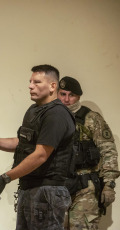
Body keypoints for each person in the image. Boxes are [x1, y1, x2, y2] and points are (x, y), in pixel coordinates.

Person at [0, 65, 75, 229]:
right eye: (30, 82)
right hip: (30, 190)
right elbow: (24, 144)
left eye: (37, 82)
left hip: (47, 193)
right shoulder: (34, 111)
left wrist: (5, 178)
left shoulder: (56, 114)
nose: (30, 86)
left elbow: (41, 154)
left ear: (52, 86)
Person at [57, 76, 120, 229]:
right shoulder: (52, 118)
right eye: (63, 94)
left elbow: (108, 151)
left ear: (78, 96)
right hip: (57, 187)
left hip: (85, 187)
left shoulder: (91, 119)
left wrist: (109, 184)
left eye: (71, 95)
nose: (66, 99)